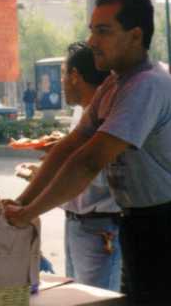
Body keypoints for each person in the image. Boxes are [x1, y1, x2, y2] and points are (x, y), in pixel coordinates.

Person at [5, 0, 171, 305]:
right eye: (91, 31)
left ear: (135, 35)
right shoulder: (114, 83)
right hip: (137, 224)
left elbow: (88, 162)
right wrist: (20, 203)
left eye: (103, 31)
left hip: (166, 230)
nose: (92, 42)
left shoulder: (147, 85)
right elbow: (71, 146)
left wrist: (28, 213)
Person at [58, 42, 121, 290]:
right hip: (75, 221)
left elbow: (98, 172)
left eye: (63, 74)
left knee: (96, 298)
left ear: (75, 77)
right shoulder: (81, 113)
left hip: (99, 228)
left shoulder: (109, 114)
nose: (62, 81)